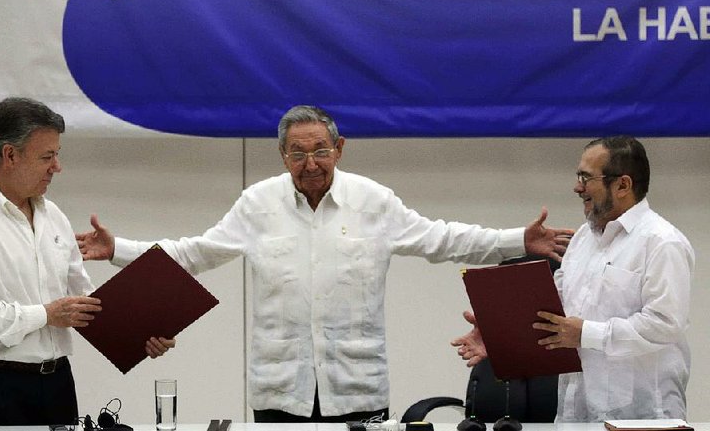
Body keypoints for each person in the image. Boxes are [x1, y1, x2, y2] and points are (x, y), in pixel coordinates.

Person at [77, 105, 572, 423]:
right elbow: (194, 254)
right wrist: (118, 247)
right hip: (278, 395)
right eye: (297, 153)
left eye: (320, 151)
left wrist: (516, 240)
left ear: (339, 149)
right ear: (282, 155)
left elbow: (440, 239)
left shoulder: (373, 201)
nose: (310, 163)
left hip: (357, 392)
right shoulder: (257, 204)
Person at [0, 97, 175, 426]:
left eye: (57, 155)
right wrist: (46, 314)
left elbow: (84, 303)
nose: (57, 167)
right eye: (47, 156)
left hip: (57, 385)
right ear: (10, 155)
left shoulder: (53, 216)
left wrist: (140, 337)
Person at [451, 135, 694, 422]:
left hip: (641, 416)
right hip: (575, 413)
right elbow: (553, 310)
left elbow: (665, 324)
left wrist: (585, 334)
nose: (577, 187)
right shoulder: (583, 239)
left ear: (623, 185)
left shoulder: (662, 243)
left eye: (586, 177)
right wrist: (501, 334)